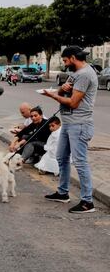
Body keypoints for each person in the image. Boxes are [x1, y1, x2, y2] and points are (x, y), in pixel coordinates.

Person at [42, 46, 98, 213]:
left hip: (79, 124)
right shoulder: (75, 74)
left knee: (80, 162)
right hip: (68, 123)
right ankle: (63, 192)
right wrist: (61, 90)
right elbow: (63, 92)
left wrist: (52, 95)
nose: (65, 64)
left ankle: (88, 202)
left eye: (65, 61)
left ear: (73, 57)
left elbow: (73, 103)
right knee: (61, 157)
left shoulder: (85, 75)